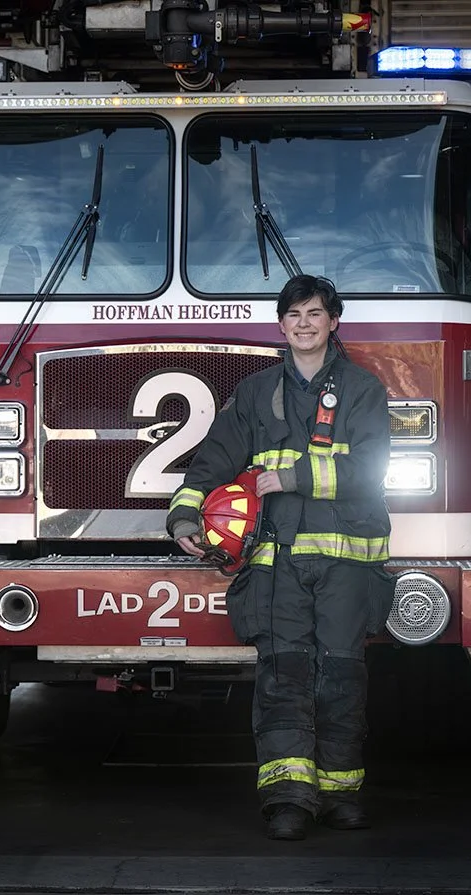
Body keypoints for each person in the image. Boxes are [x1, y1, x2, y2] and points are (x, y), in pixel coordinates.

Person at [166, 274, 394, 841]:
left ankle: (342, 794)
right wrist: (186, 515)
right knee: (282, 676)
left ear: (333, 322)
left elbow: (371, 471)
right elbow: (212, 461)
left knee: (341, 674)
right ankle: (288, 799)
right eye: (293, 315)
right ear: (281, 325)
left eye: (314, 313)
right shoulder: (255, 393)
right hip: (278, 564)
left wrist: (290, 477)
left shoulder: (365, 391)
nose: (304, 323)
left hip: (346, 562)